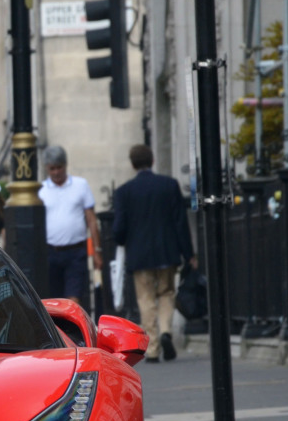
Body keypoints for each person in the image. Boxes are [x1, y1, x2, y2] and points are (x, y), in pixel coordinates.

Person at [111, 143, 196, 363]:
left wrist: (121, 240)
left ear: (132, 164)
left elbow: (118, 230)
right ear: (153, 161)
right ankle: (167, 331)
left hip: (139, 256)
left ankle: (154, 348)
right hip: (167, 252)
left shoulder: (124, 192)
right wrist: (189, 254)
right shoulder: (169, 185)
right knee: (167, 293)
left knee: (146, 299)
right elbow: (180, 223)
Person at [38, 145, 101, 305]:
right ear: (47, 168)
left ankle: (73, 329)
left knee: (74, 298)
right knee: (53, 300)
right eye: (52, 169)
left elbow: (91, 219)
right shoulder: (41, 190)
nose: (56, 172)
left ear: (65, 166)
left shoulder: (81, 185)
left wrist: (97, 250)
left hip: (76, 251)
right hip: (51, 251)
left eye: (59, 167)